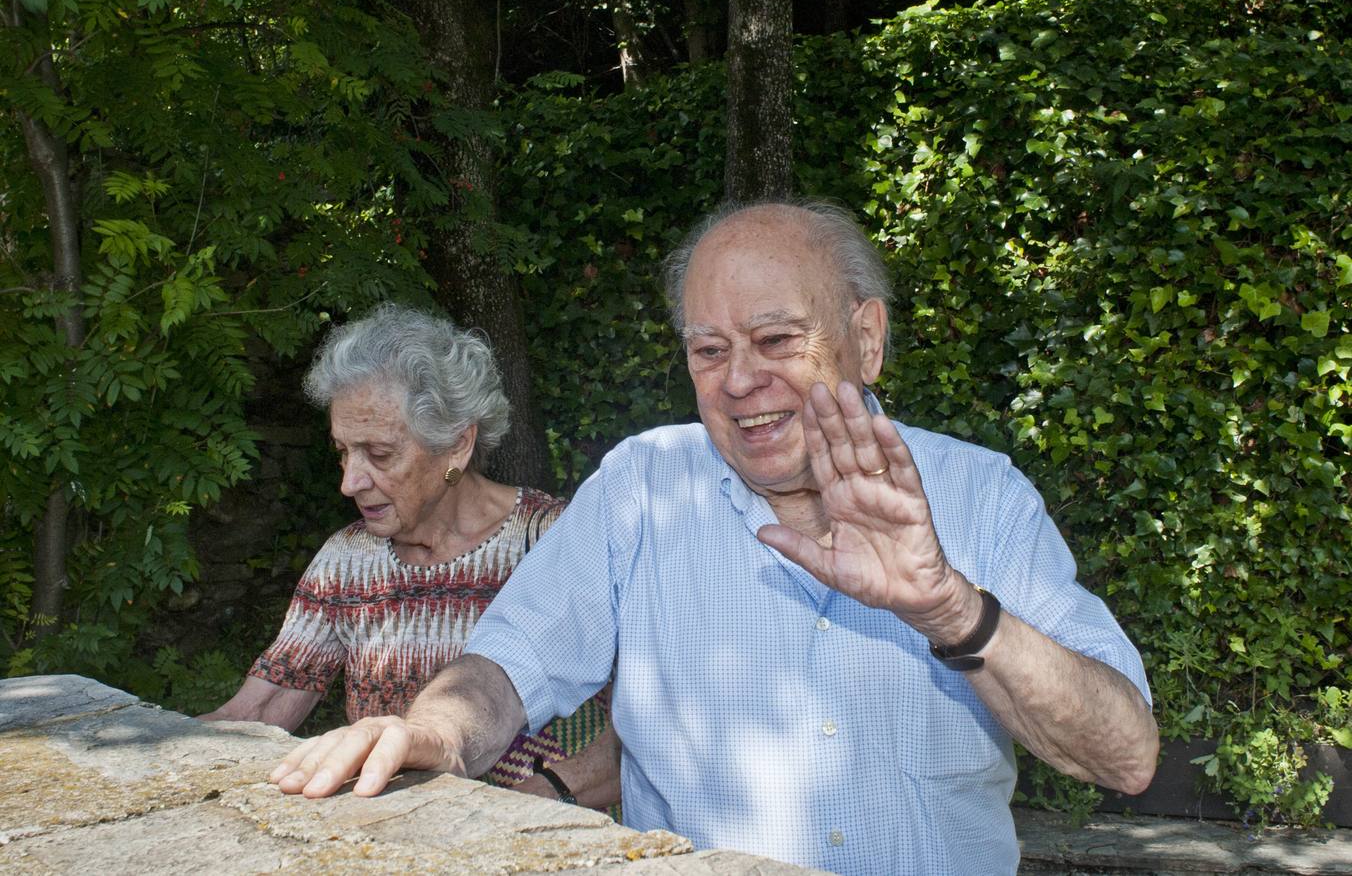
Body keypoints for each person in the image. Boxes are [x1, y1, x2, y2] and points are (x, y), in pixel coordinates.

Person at [268, 202, 1159, 874]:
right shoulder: (642, 486)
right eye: (707, 350)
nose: (740, 380)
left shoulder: (982, 497)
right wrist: (435, 734)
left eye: (776, 338)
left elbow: (1124, 755)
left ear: (866, 338)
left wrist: (952, 610)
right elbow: (507, 664)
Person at [202, 302, 619, 808]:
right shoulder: (347, 561)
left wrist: (530, 801)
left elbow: (642, 726)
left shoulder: (556, 542)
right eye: (342, 451)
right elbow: (259, 710)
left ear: (458, 444)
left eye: (379, 454)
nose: (349, 482)